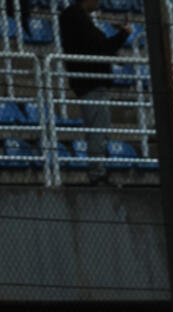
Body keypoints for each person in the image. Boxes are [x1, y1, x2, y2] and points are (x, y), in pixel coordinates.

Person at [59, 0, 131, 185]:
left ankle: (98, 170)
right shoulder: (74, 16)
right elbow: (98, 47)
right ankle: (96, 173)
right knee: (98, 130)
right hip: (90, 82)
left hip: (92, 82)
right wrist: (123, 34)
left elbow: (98, 46)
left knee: (100, 129)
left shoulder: (79, 18)